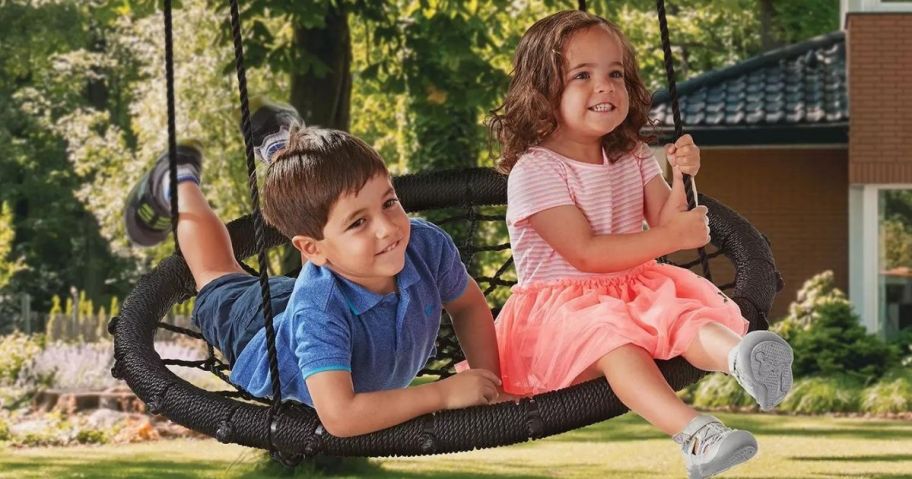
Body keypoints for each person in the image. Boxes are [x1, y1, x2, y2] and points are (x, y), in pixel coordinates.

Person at [484, 10, 794, 478]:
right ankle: (697, 435)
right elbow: (584, 252)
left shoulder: (629, 154)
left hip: (633, 287)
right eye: (583, 76)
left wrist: (680, 177)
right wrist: (671, 236)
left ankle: (741, 358)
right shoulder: (537, 170)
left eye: (615, 74)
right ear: (543, 92)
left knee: (686, 315)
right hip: (564, 312)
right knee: (618, 343)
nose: (605, 86)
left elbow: (665, 217)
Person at [123, 99, 502, 438]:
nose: (388, 228)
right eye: (359, 222)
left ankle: (283, 151)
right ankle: (178, 181)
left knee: (323, 227)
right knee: (215, 271)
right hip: (262, 330)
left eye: (389, 202)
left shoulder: (424, 244)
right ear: (309, 250)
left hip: (327, 286)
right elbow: (340, 416)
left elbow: (467, 305)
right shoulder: (318, 310)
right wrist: (443, 392)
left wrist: (491, 384)